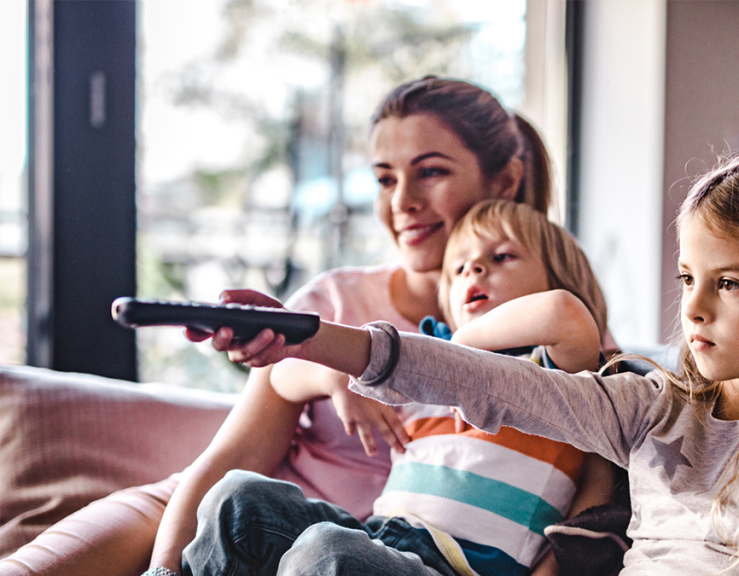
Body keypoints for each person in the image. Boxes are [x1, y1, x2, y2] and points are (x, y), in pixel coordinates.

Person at [193, 150, 739, 575]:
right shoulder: (649, 406)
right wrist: (302, 335)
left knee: (323, 556)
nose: (693, 309)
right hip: (389, 534)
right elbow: (475, 382)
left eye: (730, 283)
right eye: (688, 279)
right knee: (241, 504)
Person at [0, 76, 562, 576]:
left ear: (506, 180)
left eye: (430, 172)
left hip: (370, 553)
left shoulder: (554, 333)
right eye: (384, 179)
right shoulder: (337, 298)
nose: (403, 202)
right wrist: (325, 371)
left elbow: (595, 491)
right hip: (227, 522)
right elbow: (225, 467)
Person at [179, 199, 616, 576]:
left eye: (501, 257)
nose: (474, 269)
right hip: (377, 538)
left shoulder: (560, 381)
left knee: (326, 553)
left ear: (558, 276)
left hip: (455, 567)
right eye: (459, 267)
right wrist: (334, 378)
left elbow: (565, 314)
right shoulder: (425, 373)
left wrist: (456, 351)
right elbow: (280, 376)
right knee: (238, 499)